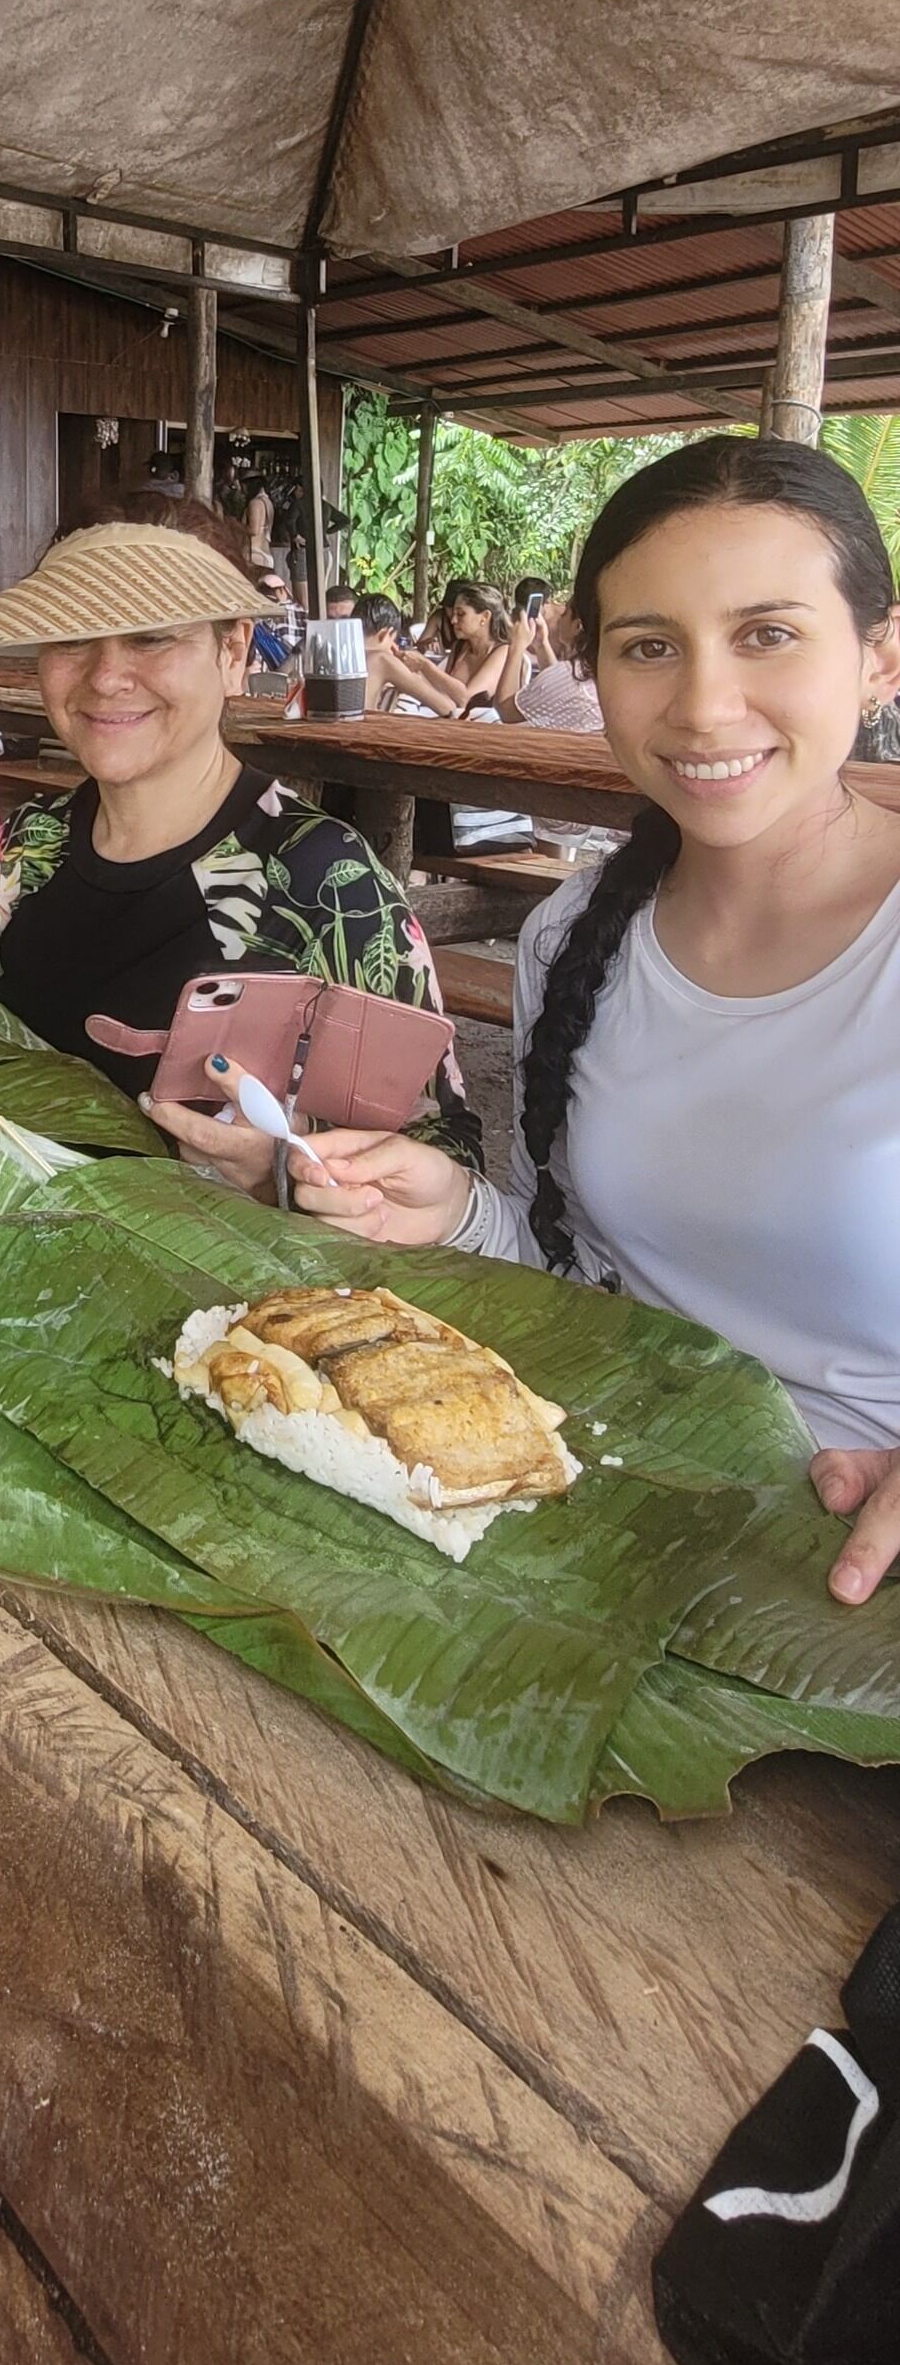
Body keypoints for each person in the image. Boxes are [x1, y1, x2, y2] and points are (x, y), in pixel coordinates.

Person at [279, 435, 900, 1600]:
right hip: (599, 1518)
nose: (704, 706)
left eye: (768, 635)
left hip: (843, 1578)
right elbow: (577, 1268)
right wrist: (460, 1213)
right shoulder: (572, 935)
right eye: (650, 646)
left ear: (880, 659)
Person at [0, 495, 476, 1190]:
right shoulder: (26, 848)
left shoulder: (324, 878)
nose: (105, 676)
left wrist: (282, 1170)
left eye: (152, 636)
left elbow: (444, 1149)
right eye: (71, 636)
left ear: (233, 651)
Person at [491, 590, 602, 731]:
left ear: (577, 626)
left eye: (565, 613)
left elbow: (505, 710)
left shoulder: (572, 674)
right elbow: (557, 685)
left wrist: (516, 647)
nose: (559, 617)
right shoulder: (592, 669)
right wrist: (541, 644)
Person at [353, 592, 476, 719]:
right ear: (385, 634)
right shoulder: (382, 660)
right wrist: (416, 673)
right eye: (392, 640)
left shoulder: (343, 655)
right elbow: (447, 708)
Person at [437, 579, 512, 705]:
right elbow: (443, 693)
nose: (453, 620)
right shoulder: (459, 647)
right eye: (453, 614)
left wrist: (425, 666)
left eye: (461, 614)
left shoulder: (502, 651)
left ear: (485, 617)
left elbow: (469, 699)